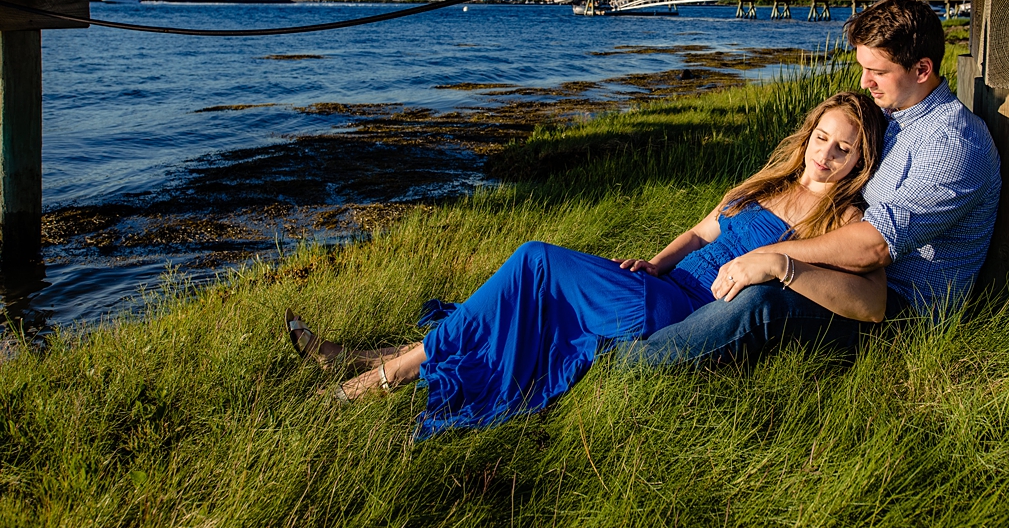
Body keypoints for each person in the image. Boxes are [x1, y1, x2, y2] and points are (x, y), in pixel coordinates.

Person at [286, 91, 888, 437]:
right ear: (807, 135)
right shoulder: (766, 184)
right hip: (663, 286)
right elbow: (704, 228)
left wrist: (779, 263)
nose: (827, 153)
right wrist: (655, 261)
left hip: (686, 313)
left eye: (845, 147)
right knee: (530, 292)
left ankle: (380, 376)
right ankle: (386, 361)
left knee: (534, 265)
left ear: (861, 159)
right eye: (822, 137)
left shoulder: (841, 216)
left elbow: (872, 301)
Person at [627, 0, 1002, 366]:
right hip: (849, 277)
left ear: (922, 70)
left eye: (879, 72)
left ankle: (634, 367)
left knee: (764, 300)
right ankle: (642, 324)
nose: (864, 81)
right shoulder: (896, 116)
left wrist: (772, 257)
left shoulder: (953, 144)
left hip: (899, 313)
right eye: (862, 67)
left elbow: (876, 247)